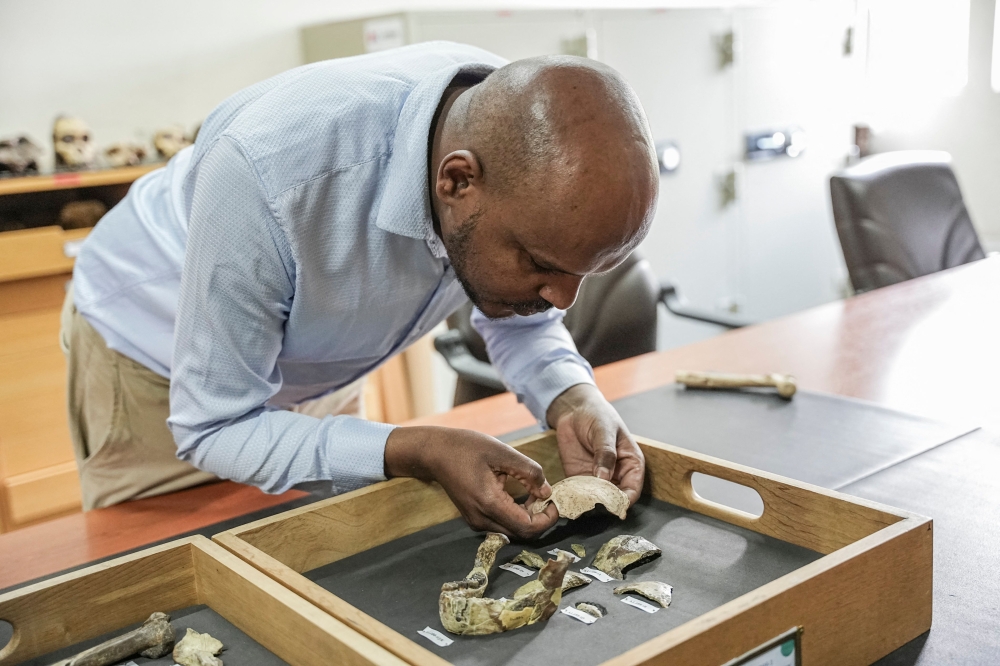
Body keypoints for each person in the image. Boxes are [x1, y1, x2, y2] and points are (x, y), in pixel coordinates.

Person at [62, 41, 659, 540]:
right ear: (457, 181)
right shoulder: (268, 172)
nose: (562, 301)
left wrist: (572, 398)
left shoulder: (517, 144)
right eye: (540, 263)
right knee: (164, 583)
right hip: (155, 362)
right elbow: (215, 425)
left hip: (321, 361)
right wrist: (414, 447)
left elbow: (522, 321)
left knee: (333, 550)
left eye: (582, 274)